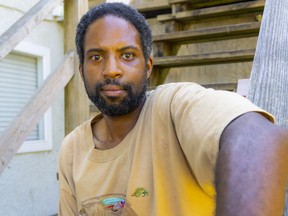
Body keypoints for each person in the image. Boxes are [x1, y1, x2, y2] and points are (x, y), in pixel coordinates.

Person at [58, 2, 288, 216]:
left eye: (127, 55)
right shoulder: (73, 149)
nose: (111, 70)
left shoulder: (173, 108)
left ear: (148, 67)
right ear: (81, 70)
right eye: (96, 57)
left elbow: (257, 138)